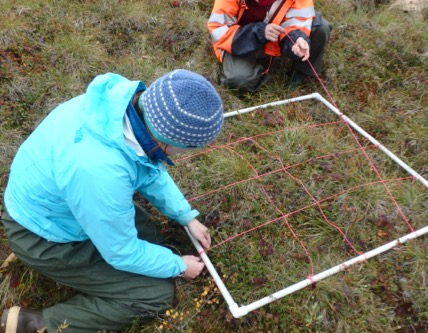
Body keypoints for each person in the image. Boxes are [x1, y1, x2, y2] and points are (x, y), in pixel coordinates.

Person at [0, 69, 224, 332]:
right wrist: (178, 266)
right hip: (44, 237)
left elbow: (148, 167)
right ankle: (34, 324)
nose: (185, 155)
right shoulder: (100, 171)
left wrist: (185, 215)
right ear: (166, 140)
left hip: (56, 210)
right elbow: (122, 253)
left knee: (151, 235)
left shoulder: (117, 113)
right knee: (154, 293)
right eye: (187, 149)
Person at [207, 0, 332, 92]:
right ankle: (268, 77)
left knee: (321, 28)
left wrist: (297, 38)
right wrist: (258, 32)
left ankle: (300, 73)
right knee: (238, 79)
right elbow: (219, 29)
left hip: (278, 34)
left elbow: (298, 20)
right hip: (243, 39)